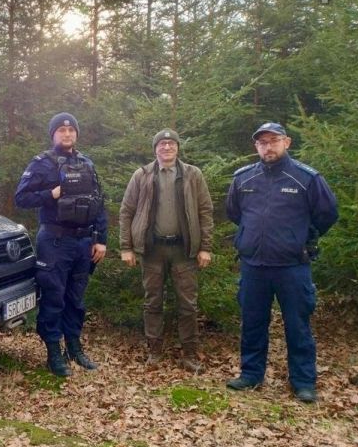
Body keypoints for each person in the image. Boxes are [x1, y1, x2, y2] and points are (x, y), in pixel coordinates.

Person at [225, 122, 338, 403]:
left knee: (297, 325)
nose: (268, 146)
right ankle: (251, 374)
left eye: (273, 140)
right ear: (256, 147)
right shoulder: (243, 179)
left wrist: (301, 237)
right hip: (254, 266)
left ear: (286, 142)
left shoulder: (306, 178)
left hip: (292, 267)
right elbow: (234, 212)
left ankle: (303, 382)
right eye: (262, 142)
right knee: (252, 322)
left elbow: (327, 214)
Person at [15, 112, 108, 376]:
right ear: (53, 134)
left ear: (76, 134)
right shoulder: (41, 164)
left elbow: (99, 202)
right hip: (54, 241)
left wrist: (101, 239)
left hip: (83, 242)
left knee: (76, 299)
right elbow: (21, 198)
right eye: (61, 130)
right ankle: (54, 352)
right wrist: (50, 194)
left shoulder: (86, 163)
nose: (67, 134)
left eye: (71, 130)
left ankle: (74, 347)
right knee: (54, 297)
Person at [118, 128, 214, 372]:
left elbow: (205, 212)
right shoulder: (142, 175)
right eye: (162, 144)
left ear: (178, 148)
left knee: (188, 305)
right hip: (152, 249)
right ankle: (154, 351)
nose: (167, 148)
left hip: (184, 250)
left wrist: (205, 247)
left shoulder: (193, 175)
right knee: (152, 302)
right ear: (155, 149)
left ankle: (190, 355)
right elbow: (126, 211)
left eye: (171, 144)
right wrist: (126, 247)